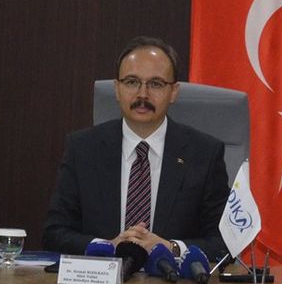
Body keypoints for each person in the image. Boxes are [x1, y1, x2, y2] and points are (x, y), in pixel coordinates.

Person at [43, 37, 229, 261]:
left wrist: (171, 248)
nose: (143, 95)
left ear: (174, 92)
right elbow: (54, 233)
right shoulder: (82, 149)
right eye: (132, 82)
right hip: (101, 279)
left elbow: (224, 243)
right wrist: (107, 246)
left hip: (173, 281)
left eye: (156, 84)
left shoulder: (204, 153)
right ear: (117, 89)